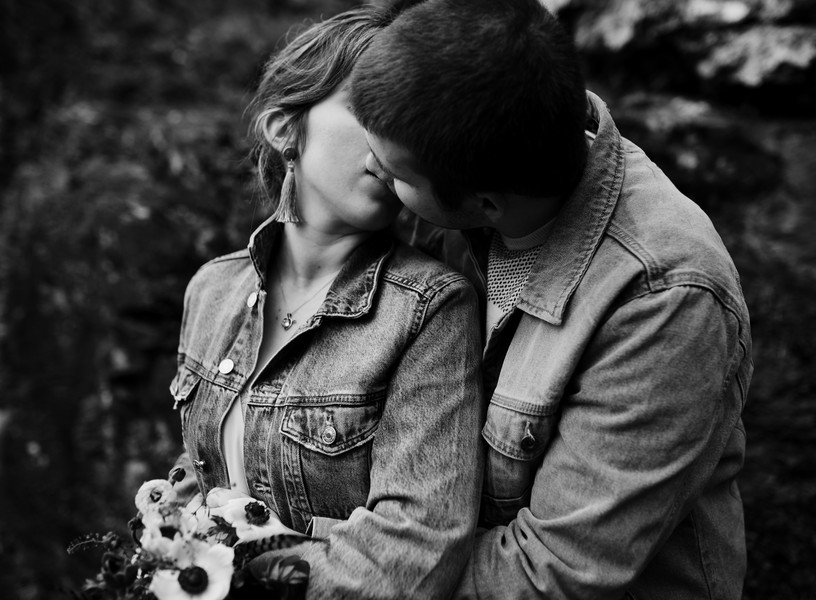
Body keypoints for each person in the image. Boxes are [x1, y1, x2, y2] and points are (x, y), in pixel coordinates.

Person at [349, 0, 754, 598]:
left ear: (486, 202)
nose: (369, 168)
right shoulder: (475, 164)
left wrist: (342, 573)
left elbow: (557, 571)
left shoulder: (663, 297)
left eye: (395, 171)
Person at [169, 6, 484, 599]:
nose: (396, 142)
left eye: (413, 122)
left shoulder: (430, 309)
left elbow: (416, 547)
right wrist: (170, 516)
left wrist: (246, 585)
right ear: (286, 129)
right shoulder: (211, 291)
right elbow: (215, 467)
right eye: (372, 111)